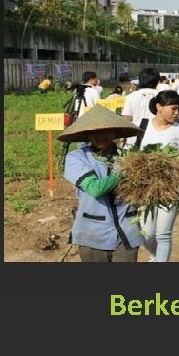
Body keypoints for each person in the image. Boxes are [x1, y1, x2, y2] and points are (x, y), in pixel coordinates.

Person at [57, 104, 145, 262]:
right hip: (93, 234)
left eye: (105, 131)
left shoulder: (129, 157)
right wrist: (125, 170)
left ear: (115, 132)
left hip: (127, 232)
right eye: (94, 133)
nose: (100, 136)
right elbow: (95, 189)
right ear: (87, 135)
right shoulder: (77, 158)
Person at [139, 91, 179, 262]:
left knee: (163, 234)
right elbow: (130, 153)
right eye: (174, 109)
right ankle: (156, 255)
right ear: (159, 107)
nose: (177, 113)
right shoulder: (141, 126)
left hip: (171, 188)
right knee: (146, 234)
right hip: (144, 188)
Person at [121, 67, 160, 149]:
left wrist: (123, 138)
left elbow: (126, 119)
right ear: (157, 81)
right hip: (156, 139)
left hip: (134, 138)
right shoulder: (161, 96)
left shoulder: (130, 97)